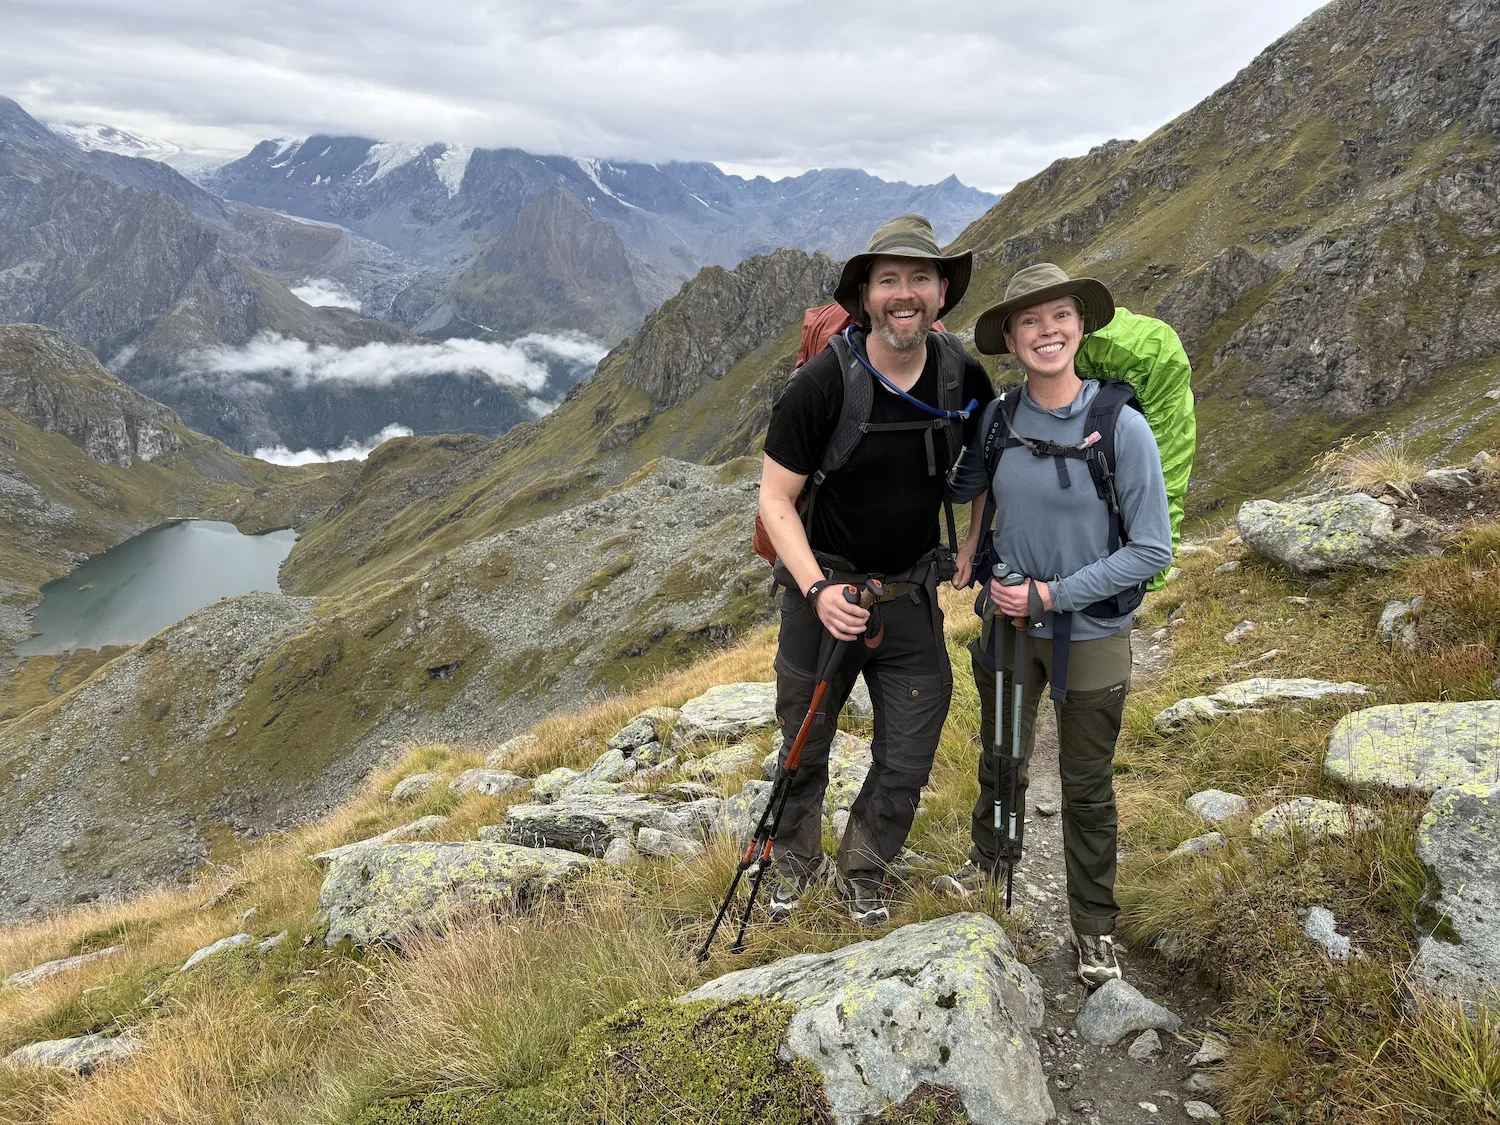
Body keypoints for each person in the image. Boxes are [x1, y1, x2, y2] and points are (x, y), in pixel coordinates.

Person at [940, 263, 1173, 986]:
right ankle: (990, 861)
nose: (1047, 332)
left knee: (1087, 785)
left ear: (1081, 326)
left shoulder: (1120, 427)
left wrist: (1050, 595)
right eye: (1030, 321)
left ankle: (1094, 925)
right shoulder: (998, 419)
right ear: (1010, 337)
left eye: (1060, 317)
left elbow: (1151, 549)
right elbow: (973, 496)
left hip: (1093, 632)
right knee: (1001, 755)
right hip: (1007, 625)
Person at [758, 213, 994, 926]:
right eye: (887, 279)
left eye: (919, 278)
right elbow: (775, 497)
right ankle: (792, 864)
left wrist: (974, 541)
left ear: (942, 292)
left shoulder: (961, 375)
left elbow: (986, 457)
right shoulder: (823, 383)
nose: (904, 293)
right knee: (805, 739)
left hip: (908, 592)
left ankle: (864, 865)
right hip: (823, 593)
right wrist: (817, 589)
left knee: (909, 751)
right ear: (864, 296)